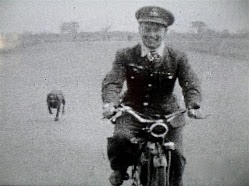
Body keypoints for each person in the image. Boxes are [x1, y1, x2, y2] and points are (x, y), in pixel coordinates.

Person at [102, 6, 202, 186]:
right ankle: (119, 169)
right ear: (139, 29)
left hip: (168, 114)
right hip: (133, 112)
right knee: (121, 139)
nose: (152, 34)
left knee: (177, 156)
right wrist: (110, 103)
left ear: (165, 32)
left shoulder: (178, 57)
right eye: (147, 29)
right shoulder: (125, 55)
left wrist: (193, 104)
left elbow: (190, 82)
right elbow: (113, 81)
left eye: (157, 30)